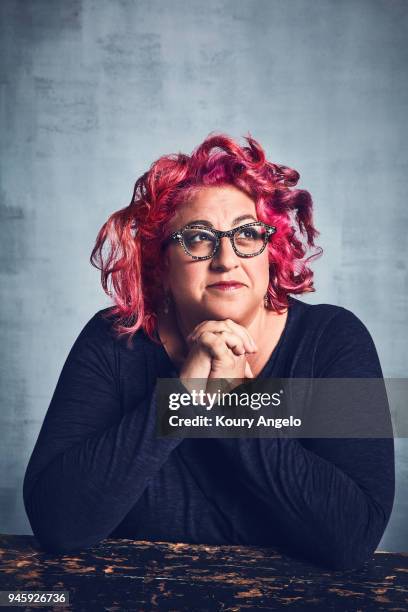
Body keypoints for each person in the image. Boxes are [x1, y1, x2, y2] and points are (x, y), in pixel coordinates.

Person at [23, 132, 395, 570]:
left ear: (270, 252)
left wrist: (234, 399)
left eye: (247, 234)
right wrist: (185, 396)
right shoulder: (115, 337)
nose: (226, 259)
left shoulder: (334, 338)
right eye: (198, 238)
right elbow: (58, 523)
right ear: (161, 262)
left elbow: (352, 539)